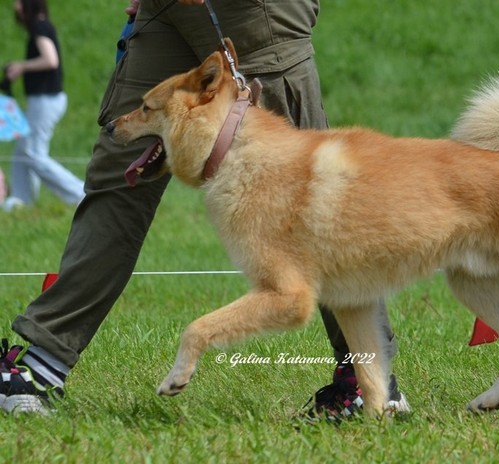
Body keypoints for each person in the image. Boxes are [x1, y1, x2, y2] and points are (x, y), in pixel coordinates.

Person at [0, 0, 408, 420]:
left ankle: (369, 382)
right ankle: (41, 364)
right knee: (122, 167)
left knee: (306, 190)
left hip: (251, 12)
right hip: (166, 9)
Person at [2, 0, 85, 212]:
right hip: (43, 99)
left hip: (45, 100)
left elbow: (50, 60)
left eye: (19, 2)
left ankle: (79, 193)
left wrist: (21, 66)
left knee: (33, 153)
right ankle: (21, 200)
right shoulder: (41, 26)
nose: (16, 7)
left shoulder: (39, 27)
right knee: (22, 150)